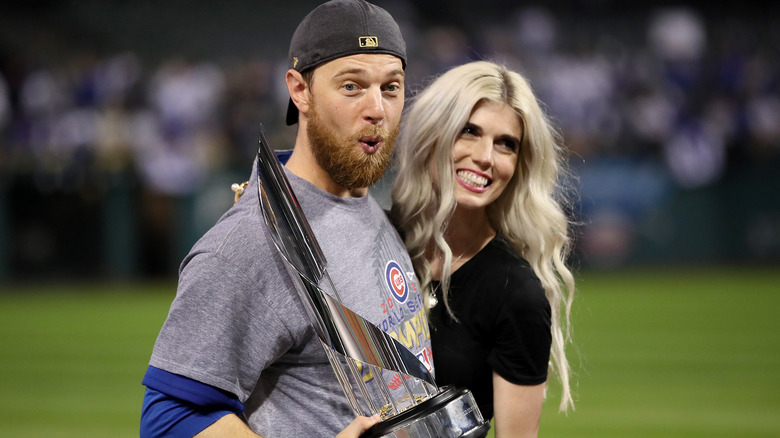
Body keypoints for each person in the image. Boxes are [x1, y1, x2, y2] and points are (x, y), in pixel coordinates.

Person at [139, 1, 433, 437]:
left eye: (391, 88)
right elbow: (169, 419)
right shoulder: (251, 243)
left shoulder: (363, 204)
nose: (379, 109)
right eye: (352, 86)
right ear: (299, 91)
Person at [390, 60, 576, 437]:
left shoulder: (515, 293)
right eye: (468, 132)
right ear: (432, 134)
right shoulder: (370, 238)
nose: (486, 157)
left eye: (506, 144)